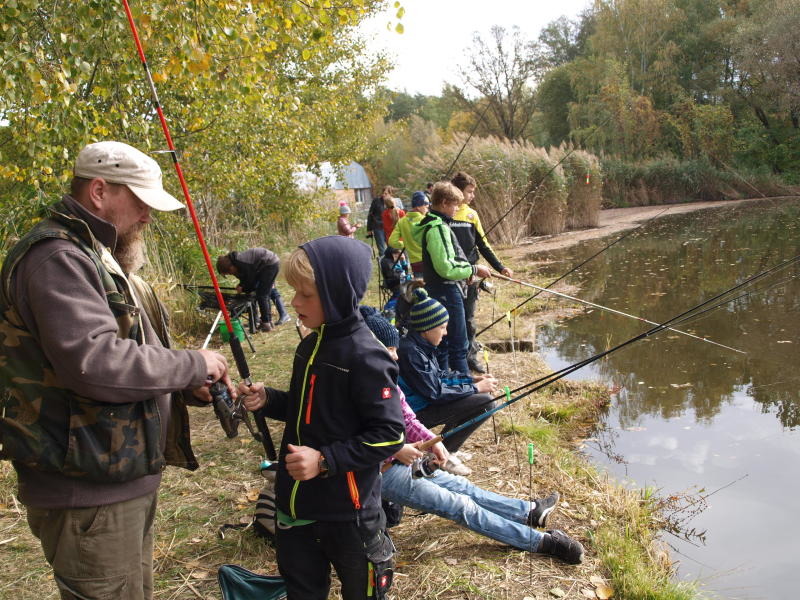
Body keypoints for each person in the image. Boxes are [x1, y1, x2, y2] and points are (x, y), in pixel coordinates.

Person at [0, 140, 234, 600]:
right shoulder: (58, 258)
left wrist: (185, 385)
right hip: (85, 487)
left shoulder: (92, 251)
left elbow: (126, 347)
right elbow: (95, 364)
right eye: (141, 200)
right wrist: (192, 363)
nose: (148, 215)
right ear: (100, 191)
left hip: (111, 478)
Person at [238, 236, 406, 600]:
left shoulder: (367, 357)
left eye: (306, 294)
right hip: (296, 505)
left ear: (338, 294)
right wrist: (268, 400)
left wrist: (326, 461)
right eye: (294, 292)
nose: (295, 302)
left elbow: (391, 434)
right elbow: (304, 410)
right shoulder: (309, 346)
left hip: (349, 514)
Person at [361, 310, 584, 564]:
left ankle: (529, 512)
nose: (395, 355)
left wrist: (435, 443)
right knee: (460, 507)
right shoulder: (353, 385)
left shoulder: (385, 375)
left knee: (464, 488)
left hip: (400, 462)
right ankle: (541, 542)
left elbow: (408, 418)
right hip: (379, 473)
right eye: (389, 349)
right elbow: (353, 438)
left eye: (395, 348)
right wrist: (398, 448)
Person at [397, 288, 498, 476]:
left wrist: (470, 379)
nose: (445, 333)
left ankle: (447, 448)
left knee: (481, 399)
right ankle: (446, 454)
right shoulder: (410, 352)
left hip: (423, 405)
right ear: (427, 328)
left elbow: (440, 375)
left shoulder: (420, 344)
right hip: (412, 417)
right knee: (486, 402)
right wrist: (475, 388)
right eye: (442, 327)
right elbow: (435, 393)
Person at [414, 181, 491, 375]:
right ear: (444, 202)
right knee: (458, 343)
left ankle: (447, 382)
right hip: (446, 290)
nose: (457, 208)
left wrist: (464, 271)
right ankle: (465, 391)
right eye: (455, 204)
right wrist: (473, 269)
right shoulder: (438, 228)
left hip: (440, 289)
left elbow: (449, 261)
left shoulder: (432, 223)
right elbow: (446, 268)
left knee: (444, 343)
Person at [450, 172, 513, 373]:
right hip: (451, 274)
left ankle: (470, 357)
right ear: (457, 192)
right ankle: (453, 359)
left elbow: (483, 244)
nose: (472, 196)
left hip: (472, 274)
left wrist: (499, 266)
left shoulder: (472, 215)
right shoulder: (444, 215)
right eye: (469, 192)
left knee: (468, 319)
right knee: (451, 318)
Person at [216, 247, 289, 332]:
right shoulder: (236, 264)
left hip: (269, 263)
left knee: (262, 295)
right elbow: (246, 280)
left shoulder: (242, 263)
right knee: (261, 294)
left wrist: (243, 288)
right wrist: (241, 285)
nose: (230, 274)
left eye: (229, 272)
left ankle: (266, 323)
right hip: (261, 267)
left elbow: (251, 282)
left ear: (230, 267)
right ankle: (260, 320)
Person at [388, 190, 430, 277]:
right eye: (426, 203)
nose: (428, 206)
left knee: (420, 289)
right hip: (429, 261)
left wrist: (406, 244)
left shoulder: (402, 221)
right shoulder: (426, 220)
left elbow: (392, 241)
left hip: (415, 263)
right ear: (418, 206)